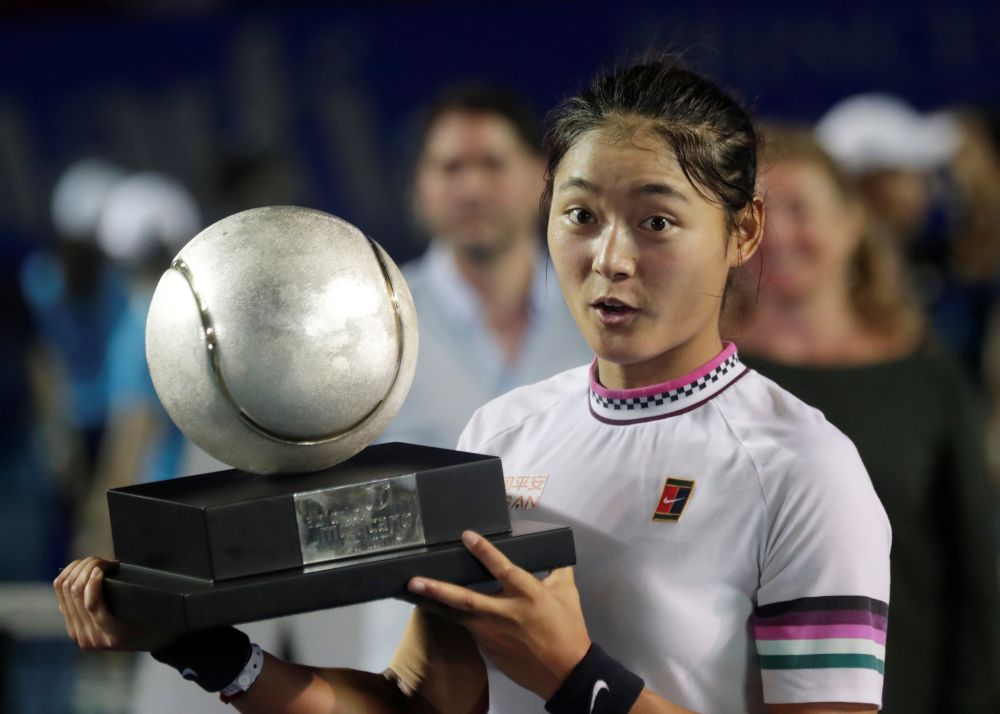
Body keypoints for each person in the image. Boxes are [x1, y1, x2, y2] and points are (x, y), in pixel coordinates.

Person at [55, 58, 890, 713]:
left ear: (743, 232)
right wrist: (208, 651)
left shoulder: (802, 467)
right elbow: (419, 704)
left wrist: (577, 678)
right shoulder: (503, 432)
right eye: (580, 215)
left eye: (657, 221)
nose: (611, 259)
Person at [728, 125, 1000, 713]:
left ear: (852, 222)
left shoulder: (926, 375)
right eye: (758, 213)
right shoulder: (702, 375)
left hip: (909, 690)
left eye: (800, 208)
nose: (778, 234)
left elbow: (976, 569)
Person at [379, 82, 592, 449]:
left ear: (542, 177)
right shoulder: (375, 323)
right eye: (451, 168)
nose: (472, 189)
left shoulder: (602, 308)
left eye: (493, 164)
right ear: (419, 185)